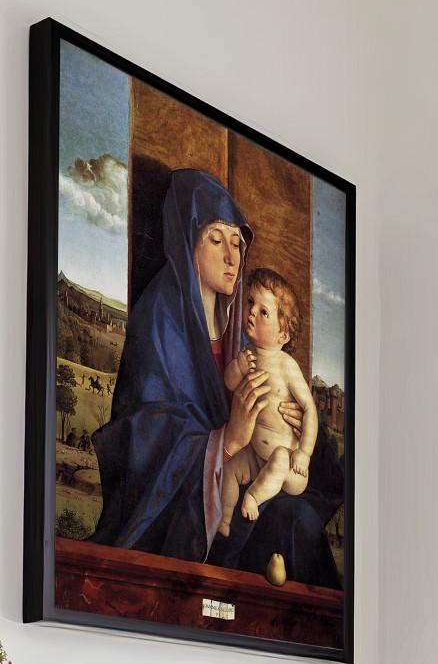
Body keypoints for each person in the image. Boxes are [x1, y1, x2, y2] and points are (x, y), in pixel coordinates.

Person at [89, 168, 342, 587]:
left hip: (252, 484)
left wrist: (296, 427)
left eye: (237, 243)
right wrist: (228, 440)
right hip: (184, 510)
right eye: (216, 239)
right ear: (187, 240)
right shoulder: (160, 319)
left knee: (299, 522)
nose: (232, 257)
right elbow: (141, 437)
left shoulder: (243, 330)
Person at [219, 268, 317, 537]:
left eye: (263, 312)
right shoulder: (246, 353)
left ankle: (253, 497)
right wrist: (238, 367)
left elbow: (309, 408)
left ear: (283, 335)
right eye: (250, 302)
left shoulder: (287, 366)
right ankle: (223, 520)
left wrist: (304, 453)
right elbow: (229, 382)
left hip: (288, 467)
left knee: (280, 457)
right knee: (229, 470)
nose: (251, 312)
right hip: (255, 455)